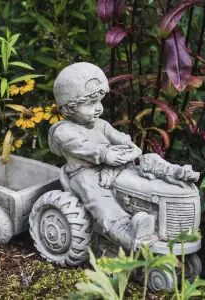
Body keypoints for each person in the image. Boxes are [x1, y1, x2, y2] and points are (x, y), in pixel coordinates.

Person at [48, 62, 154, 250]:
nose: (97, 108)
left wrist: (130, 147)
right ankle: (126, 233)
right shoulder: (63, 131)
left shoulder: (101, 124)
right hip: (82, 174)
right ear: (68, 109)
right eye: (90, 104)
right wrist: (105, 153)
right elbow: (82, 147)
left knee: (145, 164)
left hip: (112, 166)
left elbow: (120, 138)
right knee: (100, 197)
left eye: (99, 102)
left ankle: (172, 175)